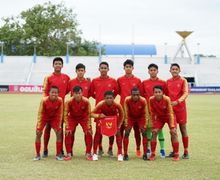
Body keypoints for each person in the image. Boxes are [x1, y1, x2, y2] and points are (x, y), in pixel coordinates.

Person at [42, 57, 70, 157]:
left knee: (60, 128)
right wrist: (47, 103)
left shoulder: (66, 77)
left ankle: (61, 149)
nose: (58, 65)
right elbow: (45, 92)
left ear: (62, 65)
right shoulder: (48, 77)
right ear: (53, 65)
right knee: (48, 127)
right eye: (56, 63)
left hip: (60, 108)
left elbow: (67, 90)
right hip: (49, 107)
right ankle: (45, 149)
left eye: (59, 63)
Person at [90, 61, 119, 157]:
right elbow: (91, 93)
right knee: (99, 130)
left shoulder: (113, 81)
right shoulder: (94, 81)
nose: (103, 69)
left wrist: (110, 100)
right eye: (101, 68)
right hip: (99, 109)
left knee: (111, 129)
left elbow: (116, 92)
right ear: (99, 69)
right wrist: (99, 99)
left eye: (105, 68)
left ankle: (110, 148)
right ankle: (100, 148)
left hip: (111, 109)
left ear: (108, 69)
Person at [117, 59, 142, 158]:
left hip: (135, 110)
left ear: (133, 68)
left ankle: (138, 149)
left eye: (130, 67)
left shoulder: (137, 80)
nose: (128, 68)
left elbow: (140, 94)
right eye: (126, 67)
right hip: (123, 109)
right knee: (122, 130)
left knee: (137, 131)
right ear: (124, 68)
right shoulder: (119, 80)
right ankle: (122, 150)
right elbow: (118, 92)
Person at [142, 63, 166, 158]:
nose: (152, 71)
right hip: (148, 110)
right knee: (148, 128)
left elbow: (165, 96)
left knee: (159, 129)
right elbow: (142, 96)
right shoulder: (144, 83)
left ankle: (162, 149)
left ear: (157, 71)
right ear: (148, 71)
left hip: (159, 111)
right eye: (151, 70)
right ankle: (148, 148)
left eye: (154, 70)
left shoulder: (163, 83)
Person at [149, 85, 179, 161]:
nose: (157, 94)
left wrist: (172, 126)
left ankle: (176, 154)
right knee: (154, 132)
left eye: (159, 92)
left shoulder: (167, 99)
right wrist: (154, 125)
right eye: (156, 92)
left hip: (169, 117)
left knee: (173, 132)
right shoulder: (151, 99)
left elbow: (171, 113)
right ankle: (152, 154)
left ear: (162, 93)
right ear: (153, 93)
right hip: (160, 118)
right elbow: (152, 113)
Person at [91, 91, 124, 161]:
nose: (109, 99)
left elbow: (122, 115)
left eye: (111, 98)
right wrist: (99, 116)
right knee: (98, 132)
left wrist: (119, 125)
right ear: (104, 98)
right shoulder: (100, 104)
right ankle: (94, 153)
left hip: (113, 120)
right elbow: (91, 114)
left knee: (118, 132)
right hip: (103, 120)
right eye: (107, 98)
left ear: (113, 98)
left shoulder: (117, 105)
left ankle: (120, 153)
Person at [33, 86, 63, 161]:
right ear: (49, 93)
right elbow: (40, 113)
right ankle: (37, 154)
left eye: (56, 93)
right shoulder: (44, 100)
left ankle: (58, 154)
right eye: (52, 92)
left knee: (59, 133)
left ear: (58, 93)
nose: (54, 94)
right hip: (44, 117)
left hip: (54, 118)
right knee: (38, 133)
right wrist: (39, 126)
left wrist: (58, 125)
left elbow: (60, 113)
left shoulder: (60, 100)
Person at [166, 63, 189, 159]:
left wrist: (178, 101)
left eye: (176, 69)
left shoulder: (183, 80)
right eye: (173, 69)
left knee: (183, 129)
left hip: (181, 108)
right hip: (171, 110)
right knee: (172, 130)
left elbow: (186, 92)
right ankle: (175, 151)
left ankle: (186, 151)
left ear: (179, 70)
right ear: (170, 71)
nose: (174, 70)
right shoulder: (167, 81)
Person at [63, 86, 93, 161]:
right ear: (73, 94)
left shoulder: (86, 101)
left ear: (82, 93)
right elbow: (65, 114)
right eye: (76, 93)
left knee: (88, 132)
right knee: (68, 132)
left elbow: (88, 114)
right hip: (72, 118)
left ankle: (88, 153)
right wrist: (67, 126)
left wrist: (88, 126)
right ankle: (69, 153)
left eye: (79, 93)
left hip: (84, 118)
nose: (78, 95)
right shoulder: (68, 102)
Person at [123, 87, 149, 161]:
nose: (135, 96)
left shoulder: (143, 100)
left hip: (141, 117)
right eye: (134, 95)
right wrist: (126, 123)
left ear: (139, 94)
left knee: (144, 132)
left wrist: (145, 124)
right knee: (127, 132)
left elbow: (146, 114)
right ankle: (125, 154)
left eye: (137, 95)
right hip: (130, 117)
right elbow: (126, 112)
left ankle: (144, 154)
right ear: (131, 94)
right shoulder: (127, 100)